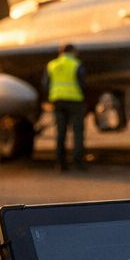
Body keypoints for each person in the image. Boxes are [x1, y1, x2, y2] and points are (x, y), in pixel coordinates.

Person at [42, 42, 87, 171]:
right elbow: (82, 83)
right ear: (73, 52)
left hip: (58, 101)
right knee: (77, 132)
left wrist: (50, 98)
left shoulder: (52, 65)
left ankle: (60, 163)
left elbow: (45, 84)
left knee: (60, 133)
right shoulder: (76, 64)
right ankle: (78, 162)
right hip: (75, 101)